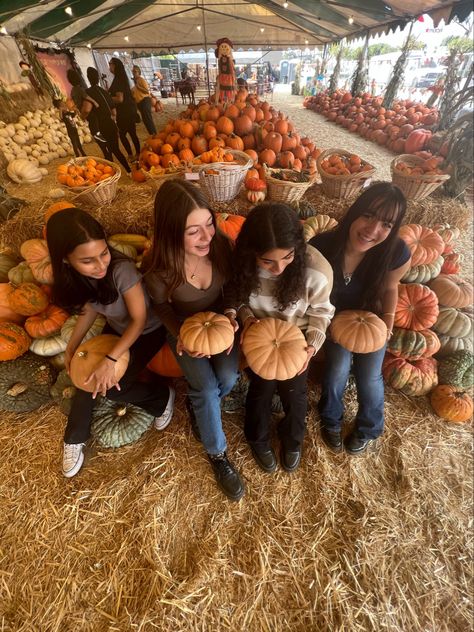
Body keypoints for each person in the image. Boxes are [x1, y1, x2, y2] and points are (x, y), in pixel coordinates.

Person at [47, 208, 174, 478]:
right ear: (66, 261)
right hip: (116, 328)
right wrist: (72, 347)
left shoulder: (122, 271)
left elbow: (139, 321)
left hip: (146, 332)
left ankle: (161, 397)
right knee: (86, 375)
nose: (100, 264)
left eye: (103, 253)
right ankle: (74, 437)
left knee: (114, 387)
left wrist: (110, 359)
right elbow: (90, 308)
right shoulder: (78, 278)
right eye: (88, 260)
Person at [144, 180, 244, 502]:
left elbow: (231, 287)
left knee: (227, 378)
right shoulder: (158, 269)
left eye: (209, 224)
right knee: (203, 385)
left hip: (220, 325)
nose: (206, 237)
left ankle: (199, 405)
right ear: (172, 231)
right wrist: (181, 335)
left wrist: (229, 314)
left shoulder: (222, 247)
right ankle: (218, 455)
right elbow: (160, 306)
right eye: (193, 231)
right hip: (185, 329)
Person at [225, 203, 334, 474]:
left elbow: (322, 311)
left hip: (295, 342)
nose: (278, 268)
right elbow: (236, 298)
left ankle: (293, 439)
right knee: (260, 393)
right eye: (267, 261)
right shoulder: (242, 265)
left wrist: (312, 346)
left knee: (296, 396)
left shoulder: (317, 271)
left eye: (287, 257)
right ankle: (257, 438)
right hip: (260, 340)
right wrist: (247, 318)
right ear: (253, 253)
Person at [309, 182, 411, 456]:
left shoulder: (396, 252)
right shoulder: (321, 246)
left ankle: (369, 427)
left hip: (372, 321)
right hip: (334, 321)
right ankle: (330, 418)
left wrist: (387, 323)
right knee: (337, 369)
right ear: (355, 212)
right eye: (368, 215)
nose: (373, 230)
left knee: (370, 377)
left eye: (386, 224)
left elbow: (391, 287)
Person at [82, 67, 131, 174]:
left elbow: (86, 109)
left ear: (88, 78)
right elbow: (114, 112)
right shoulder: (104, 92)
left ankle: (111, 175)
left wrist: (82, 117)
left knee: (106, 151)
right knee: (116, 150)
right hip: (110, 124)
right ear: (98, 78)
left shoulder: (88, 92)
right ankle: (129, 171)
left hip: (98, 127)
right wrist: (114, 122)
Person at [108, 57, 141, 162]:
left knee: (122, 135)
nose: (109, 66)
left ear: (115, 66)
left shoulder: (118, 80)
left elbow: (119, 99)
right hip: (129, 110)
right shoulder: (122, 78)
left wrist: (108, 97)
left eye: (110, 64)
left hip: (124, 112)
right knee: (132, 133)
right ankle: (138, 154)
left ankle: (132, 155)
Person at [131, 65, 157, 135]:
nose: (133, 73)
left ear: (139, 72)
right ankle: (151, 134)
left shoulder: (141, 80)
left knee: (148, 118)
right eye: (132, 71)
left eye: (135, 71)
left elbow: (146, 91)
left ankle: (154, 134)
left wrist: (138, 86)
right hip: (139, 103)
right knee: (145, 120)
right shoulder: (135, 81)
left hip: (145, 100)